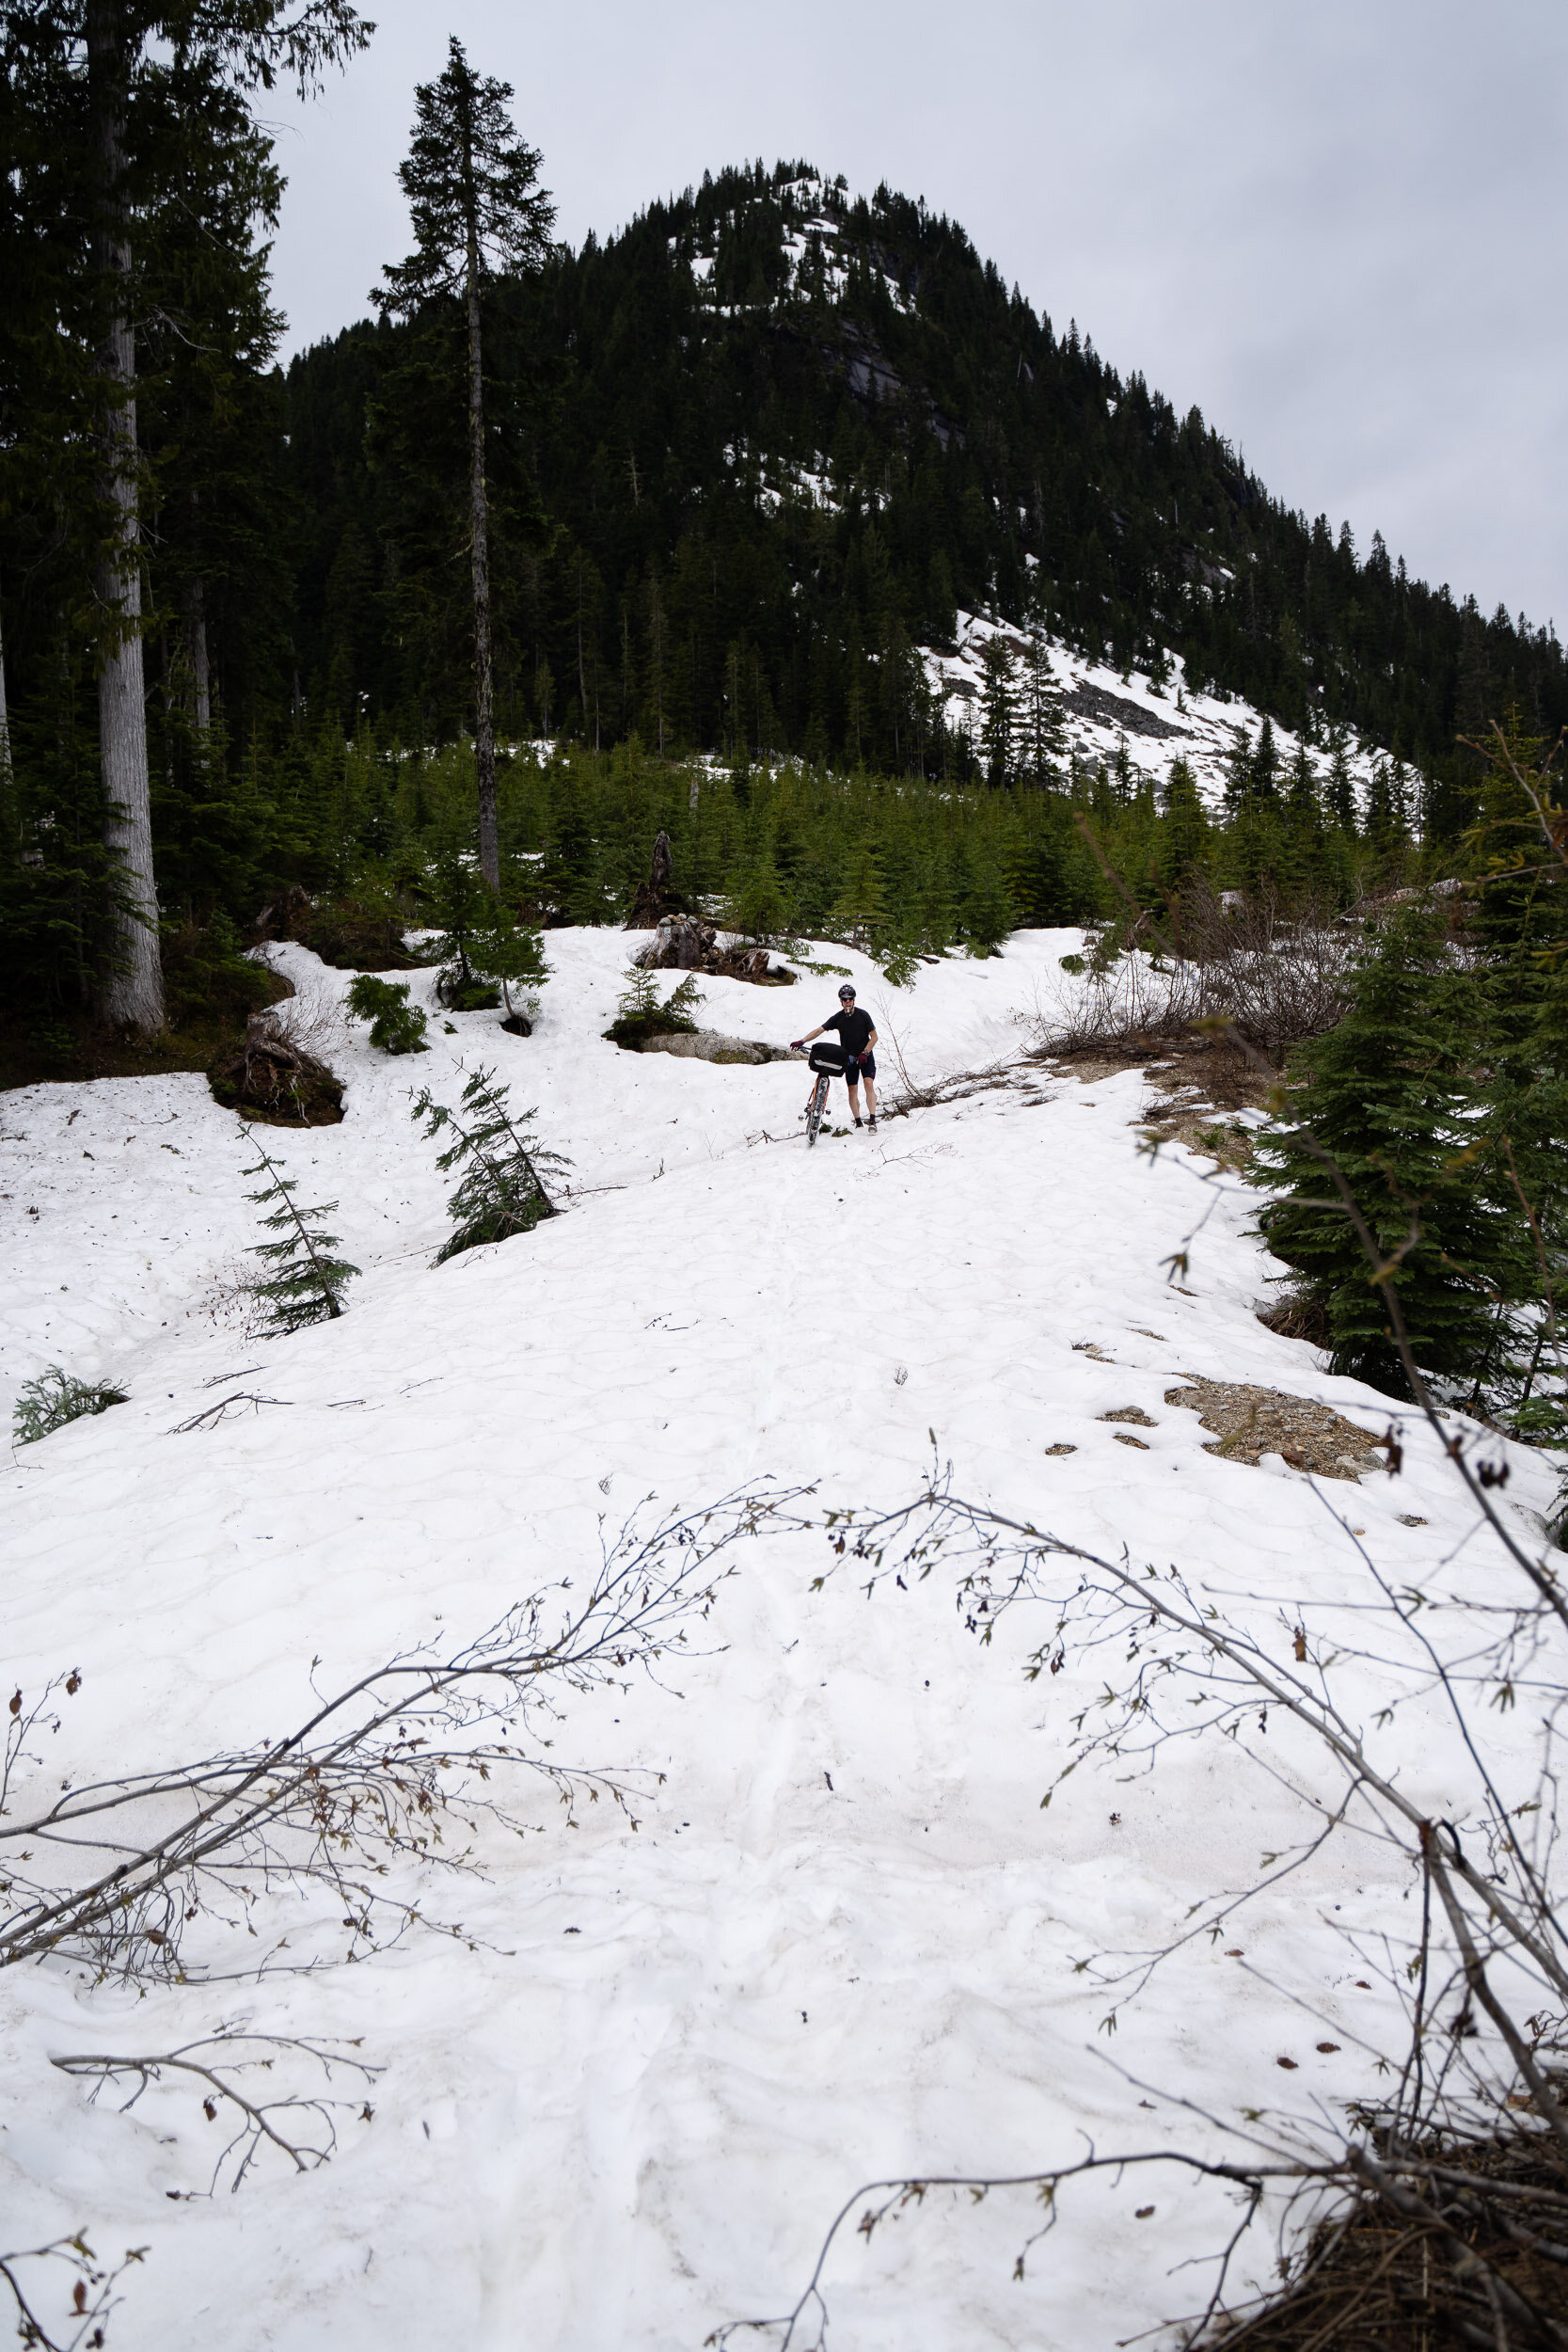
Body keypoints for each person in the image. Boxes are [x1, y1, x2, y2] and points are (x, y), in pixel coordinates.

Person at [790, 983, 879, 1130]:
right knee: (852, 1089)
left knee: (868, 1083)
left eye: (850, 999)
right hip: (849, 1059)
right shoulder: (838, 1018)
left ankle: (872, 1120)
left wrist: (865, 1052)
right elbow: (820, 1030)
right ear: (841, 1001)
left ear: (854, 999)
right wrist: (802, 1041)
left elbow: (874, 1037)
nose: (848, 1001)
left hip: (865, 1055)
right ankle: (858, 1122)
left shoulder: (863, 1015)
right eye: (845, 999)